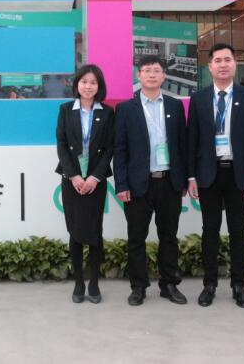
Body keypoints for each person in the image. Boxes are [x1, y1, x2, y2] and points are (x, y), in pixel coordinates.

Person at [187, 43, 244, 308]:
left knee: (238, 231)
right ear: (210, 66)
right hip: (208, 174)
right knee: (210, 230)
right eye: (217, 60)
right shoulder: (198, 99)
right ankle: (209, 284)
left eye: (227, 60)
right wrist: (191, 176)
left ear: (235, 64)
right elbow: (192, 139)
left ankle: (238, 285)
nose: (223, 64)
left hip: (238, 174)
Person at [113, 56, 188, 307]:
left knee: (169, 237)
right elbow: (120, 150)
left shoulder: (175, 106)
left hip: (169, 182)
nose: (152, 74)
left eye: (157, 70)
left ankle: (169, 285)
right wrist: (121, 184)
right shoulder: (126, 109)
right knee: (136, 238)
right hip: (138, 184)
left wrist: (184, 180)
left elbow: (181, 145)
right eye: (147, 70)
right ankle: (138, 287)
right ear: (139, 75)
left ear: (164, 75)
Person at [55, 64, 115, 304]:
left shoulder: (107, 112)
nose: (88, 86)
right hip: (72, 181)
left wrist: (94, 177)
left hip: (95, 182)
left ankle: (94, 282)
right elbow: (61, 144)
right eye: (84, 82)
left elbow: (109, 148)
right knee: (75, 231)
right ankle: (79, 282)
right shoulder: (65, 110)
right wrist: (74, 176)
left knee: (95, 232)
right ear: (77, 84)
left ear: (99, 87)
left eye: (93, 82)